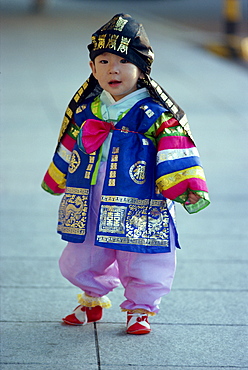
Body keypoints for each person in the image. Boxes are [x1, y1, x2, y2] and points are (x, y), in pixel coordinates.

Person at [41, 13, 210, 335]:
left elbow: (176, 151)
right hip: (90, 189)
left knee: (142, 253)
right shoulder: (86, 111)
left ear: (142, 68)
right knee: (82, 250)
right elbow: (68, 145)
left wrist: (187, 184)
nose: (112, 70)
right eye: (102, 61)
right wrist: (57, 175)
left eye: (123, 61)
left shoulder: (156, 116)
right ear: (92, 68)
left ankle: (140, 309)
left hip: (141, 193)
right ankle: (91, 298)